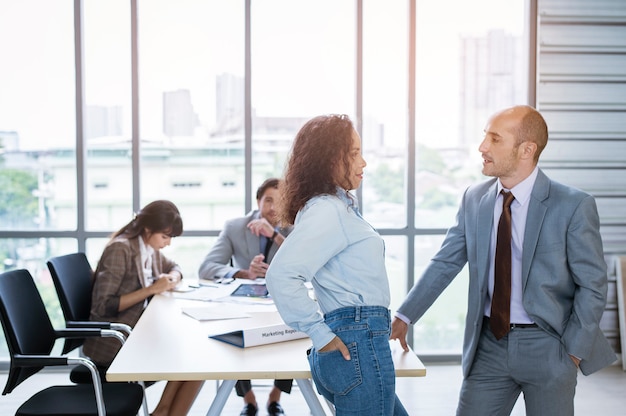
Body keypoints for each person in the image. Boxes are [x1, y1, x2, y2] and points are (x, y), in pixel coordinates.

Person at [390, 105, 617, 416]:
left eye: (495, 139)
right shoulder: (474, 198)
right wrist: (405, 315)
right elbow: (446, 262)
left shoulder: (573, 206)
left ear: (526, 149)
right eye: (485, 136)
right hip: (488, 346)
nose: (483, 147)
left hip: (550, 347)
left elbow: (592, 285)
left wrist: (573, 353)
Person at [266, 114, 408, 416]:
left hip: (357, 338)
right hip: (358, 340)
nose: (363, 163)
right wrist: (320, 334)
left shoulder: (334, 206)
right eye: (354, 154)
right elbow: (281, 276)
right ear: (330, 159)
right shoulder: (328, 210)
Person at [83, 200, 204, 416]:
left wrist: (172, 277)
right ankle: (161, 411)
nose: (167, 244)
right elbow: (103, 306)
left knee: (196, 358)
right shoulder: (121, 249)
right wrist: (152, 289)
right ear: (148, 229)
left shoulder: (148, 248)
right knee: (195, 360)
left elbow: (174, 266)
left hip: (139, 334)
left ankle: (161, 411)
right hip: (116, 343)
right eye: (165, 237)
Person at [198, 178, 293, 416]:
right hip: (244, 303)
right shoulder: (235, 227)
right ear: (258, 201)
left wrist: (275, 236)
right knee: (233, 333)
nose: (273, 208)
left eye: (280, 201)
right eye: (268, 200)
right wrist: (244, 273)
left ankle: (275, 397)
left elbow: (304, 262)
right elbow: (207, 267)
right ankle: (248, 400)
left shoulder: (293, 227)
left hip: (283, 300)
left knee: (294, 329)